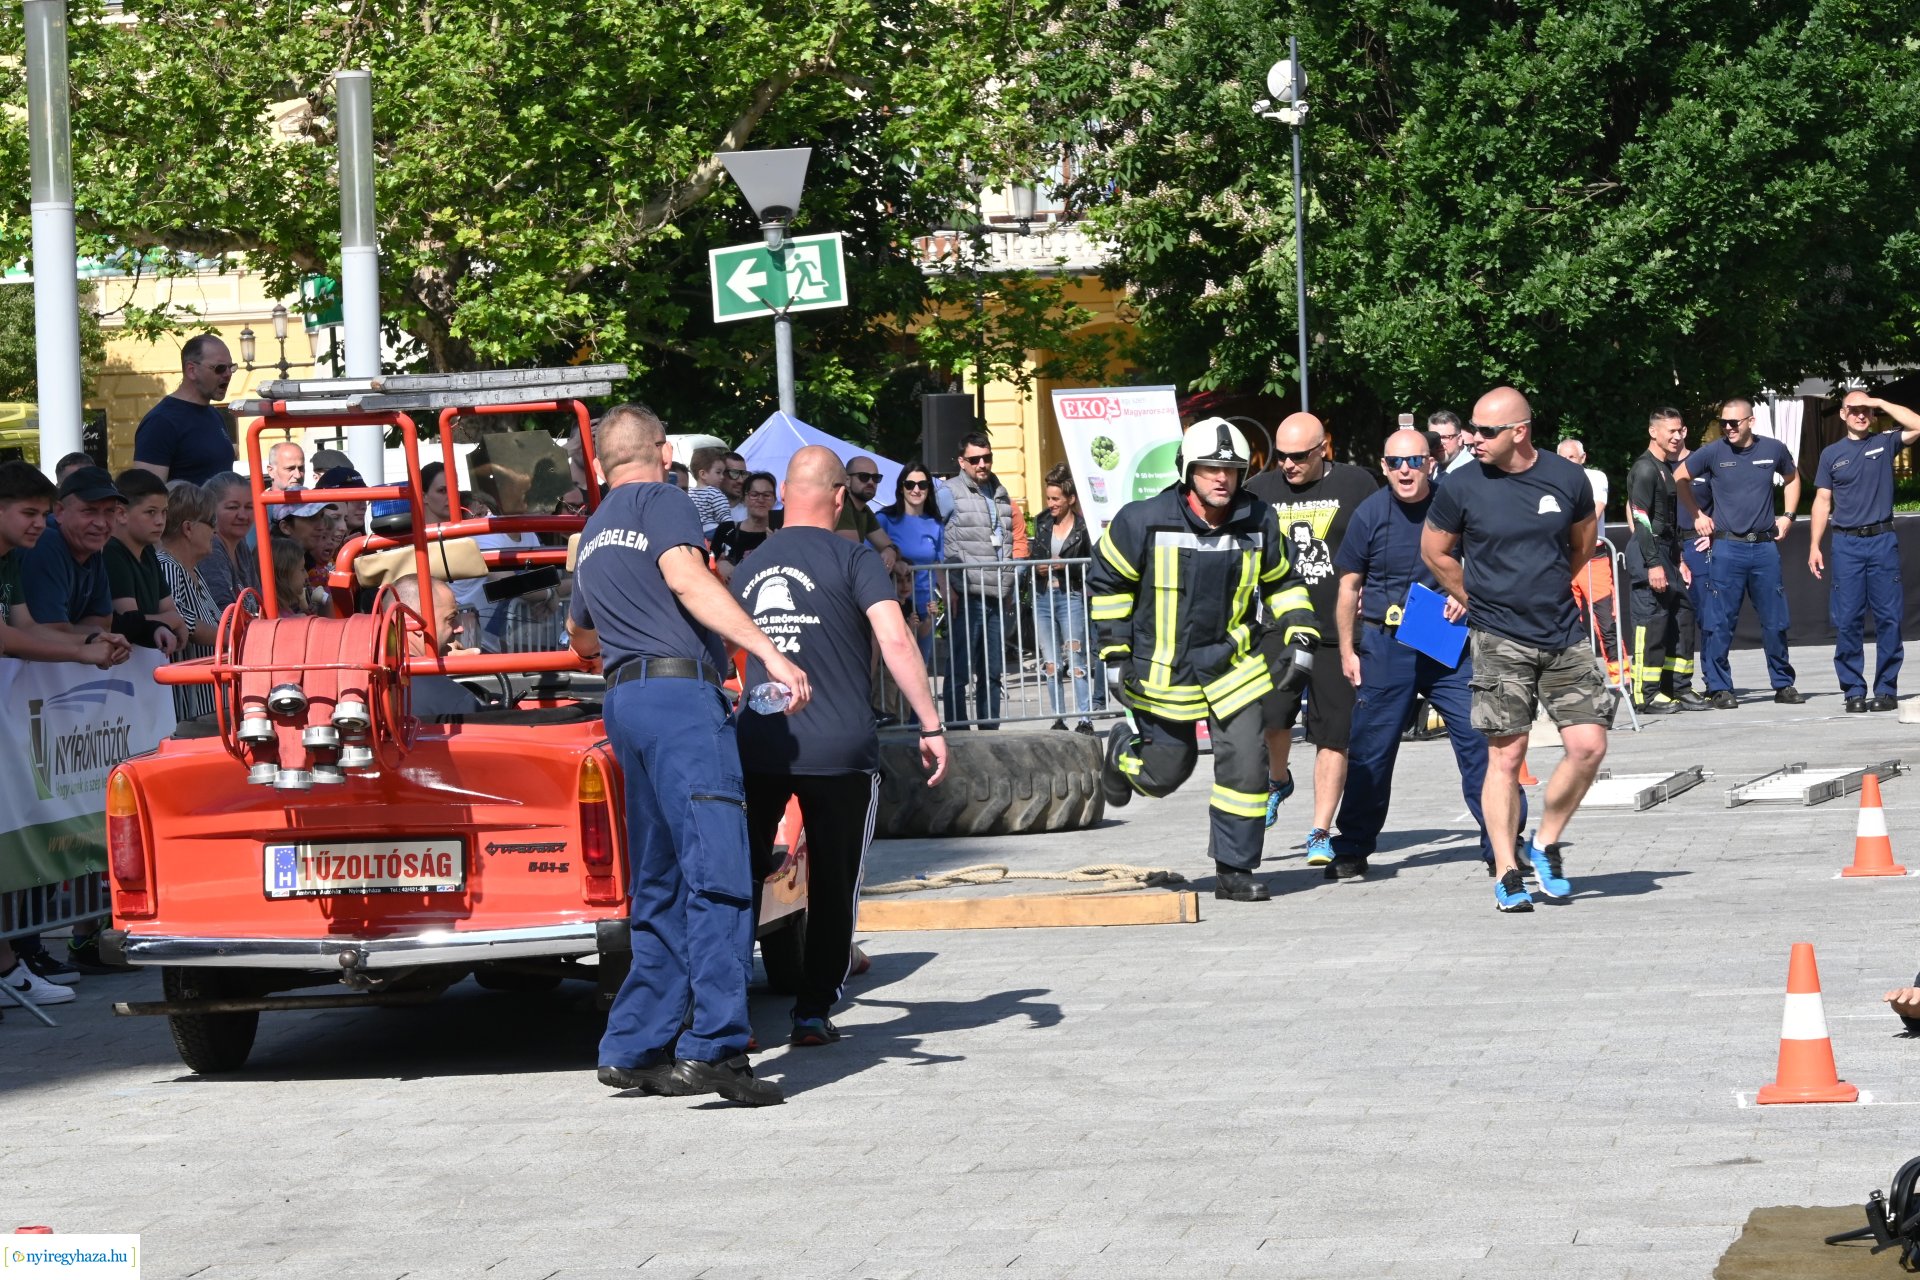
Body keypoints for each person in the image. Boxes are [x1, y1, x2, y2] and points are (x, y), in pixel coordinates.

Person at [567, 403, 810, 1107]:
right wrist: (766, 651)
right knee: (719, 877)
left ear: (600, 463)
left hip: (625, 705)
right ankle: (715, 1051)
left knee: (661, 882)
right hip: (679, 704)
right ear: (664, 449)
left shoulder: (594, 528)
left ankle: (636, 1047)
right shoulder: (662, 503)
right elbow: (686, 576)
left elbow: (581, 637)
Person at [734, 446, 948, 1046]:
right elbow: (896, 640)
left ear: (781, 498)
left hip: (761, 743)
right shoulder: (855, 557)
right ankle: (811, 1012)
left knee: (741, 875)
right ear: (836, 497)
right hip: (840, 750)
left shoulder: (750, 564)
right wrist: (930, 724)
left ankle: (727, 1011)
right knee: (834, 881)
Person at [1090, 418, 1320, 903]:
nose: (1222, 479)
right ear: (1186, 471)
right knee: (1167, 771)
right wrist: (1114, 653)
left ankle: (1233, 871)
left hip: (1233, 665)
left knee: (1248, 765)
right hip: (1162, 668)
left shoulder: (1259, 520)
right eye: (1210, 469)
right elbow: (1109, 585)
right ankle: (1120, 754)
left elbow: (1282, 582)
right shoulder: (1142, 520)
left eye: (1232, 470)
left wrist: (1301, 636)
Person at [1422, 386, 1610, 914]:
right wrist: (1476, 601)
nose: (1472, 439)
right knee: (1506, 757)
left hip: (1562, 632)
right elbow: (1434, 552)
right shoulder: (1460, 486)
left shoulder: (1566, 479)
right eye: (1471, 430)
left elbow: (1582, 545)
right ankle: (1507, 871)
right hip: (1499, 637)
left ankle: (1545, 842)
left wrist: (1551, 591)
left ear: (1519, 432)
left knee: (1589, 746)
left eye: (1485, 431)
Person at [1330, 430, 1518, 878]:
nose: (1405, 470)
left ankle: (1504, 846)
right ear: (1383, 466)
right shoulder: (1370, 513)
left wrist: (1466, 589)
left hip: (1447, 642)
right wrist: (1346, 650)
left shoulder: (1454, 503)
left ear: (1431, 462)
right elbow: (1348, 587)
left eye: (1414, 460)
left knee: (1480, 743)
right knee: (1370, 751)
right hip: (1385, 645)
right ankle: (1353, 847)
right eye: (1395, 463)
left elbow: (1490, 557)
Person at [1245, 412, 1379, 863]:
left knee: (1333, 734)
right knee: (1271, 718)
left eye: (1298, 456)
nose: (1288, 464)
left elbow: (1379, 541)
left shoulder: (1357, 485)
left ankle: (1320, 830)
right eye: (1281, 456)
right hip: (1279, 628)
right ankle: (1279, 780)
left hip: (1335, 633)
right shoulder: (1259, 492)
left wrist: (1373, 590)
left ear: (1324, 448)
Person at [1676, 398, 1802, 707]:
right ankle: (1720, 688)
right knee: (1720, 621)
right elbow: (1679, 476)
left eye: (1734, 422)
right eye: (1724, 423)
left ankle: (1783, 684)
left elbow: (1793, 478)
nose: (1728, 428)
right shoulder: (1714, 452)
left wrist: (1788, 516)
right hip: (1727, 547)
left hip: (1763, 547)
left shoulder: (1773, 449)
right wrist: (1697, 515)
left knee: (1775, 619)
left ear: (1751, 421)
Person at [1808, 391, 1920, 712]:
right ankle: (1853, 691)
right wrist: (1814, 545)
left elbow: (1918, 424)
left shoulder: (1885, 443)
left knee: (1889, 618)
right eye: (1854, 411)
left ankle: (1886, 690)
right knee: (1847, 620)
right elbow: (1822, 502)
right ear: (1842, 414)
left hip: (1882, 541)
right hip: (1847, 545)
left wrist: (1881, 403)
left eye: (1865, 411)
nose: (1860, 416)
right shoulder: (1831, 454)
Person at [942, 432, 1028, 727]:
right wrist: (945, 586)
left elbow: (1007, 542)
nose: (982, 464)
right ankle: (958, 731)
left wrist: (1009, 586)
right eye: (975, 459)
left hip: (996, 594)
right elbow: (933, 538)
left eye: (987, 458)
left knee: (992, 671)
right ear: (962, 462)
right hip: (965, 592)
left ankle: (990, 732)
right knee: (960, 670)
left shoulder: (1000, 492)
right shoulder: (948, 492)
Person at [1624, 409, 1707, 714]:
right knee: (1652, 623)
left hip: (1669, 554)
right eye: (1670, 431)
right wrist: (1653, 563)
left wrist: (1679, 559)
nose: (1677, 436)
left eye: (1680, 431)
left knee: (1681, 618)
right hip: (1651, 555)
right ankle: (1646, 694)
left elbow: (1671, 522)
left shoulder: (1666, 468)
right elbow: (1640, 518)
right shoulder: (1646, 469)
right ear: (1653, 432)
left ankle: (1678, 687)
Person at [0, 462, 121, 666]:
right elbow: (6, 637)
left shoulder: (9, 557)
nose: (39, 523)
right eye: (29, 513)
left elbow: (27, 627)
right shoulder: (43, 545)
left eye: (43, 515)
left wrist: (90, 641)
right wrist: (79, 651)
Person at [1031, 464, 1100, 732]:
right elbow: (1035, 555)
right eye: (1048, 498)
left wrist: (1065, 565)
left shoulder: (1083, 527)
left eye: (1056, 499)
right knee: (1051, 662)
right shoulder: (1041, 521)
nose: (1051, 504)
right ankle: (1059, 718)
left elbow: (1091, 564)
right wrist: (1037, 566)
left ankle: (1085, 718)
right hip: (1042, 596)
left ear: (1070, 499)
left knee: (1077, 658)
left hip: (1070, 597)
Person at [1556, 438, 1623, 686]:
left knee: (1606, 622)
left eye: (1571, 458)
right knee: (1565, 623)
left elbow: (1593, 513)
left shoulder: (1595, 477)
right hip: (1561, 560)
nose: (1567, 463)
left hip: (1592, 558)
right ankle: (1572, 680)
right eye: (1562, 458)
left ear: (1582, 458)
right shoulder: (1549, 482)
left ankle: (1620, 680)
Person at [131, 334, 237, 484]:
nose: (228, 374)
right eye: (220, 368)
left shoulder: (215, 415)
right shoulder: (161, 422)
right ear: (191, 370)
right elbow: (148, 495)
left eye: (231, 367)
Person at [156, 482, 220, 722]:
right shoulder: (167, 565)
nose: (215, 531)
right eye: (211, 522)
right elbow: (181, 620)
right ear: (188, 528)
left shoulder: (192, 569)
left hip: (207, 703)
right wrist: (234, 639)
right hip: (189, 709)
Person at [105, 468, 186, 655]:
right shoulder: (112, 553)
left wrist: (172, 618)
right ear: (121, 514)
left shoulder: (148, 550)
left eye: (164, 512)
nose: (160, 521)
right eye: (150, 512)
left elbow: (170, 609)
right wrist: (173, 620)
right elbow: (132, 623)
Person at [874, 464, 945, 666]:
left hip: (924, 605)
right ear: (901, 488)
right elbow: (869, 554)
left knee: (920, 668)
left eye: (922, 484)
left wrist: (948, 596)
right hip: (895, 605)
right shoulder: (884, 519)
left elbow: (939, 564)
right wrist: (894, 562)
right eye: (910, 484)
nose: (916, 489)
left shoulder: (935, 523)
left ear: (929, 489)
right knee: (892, 671)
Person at [389, 574, 486, 717]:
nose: (460, 628)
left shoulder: (355, 684)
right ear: (412, 623)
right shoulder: (455, 701)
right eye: (451, 619)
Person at [197, 471, 260, 610]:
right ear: (211, 509)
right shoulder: (210, 547)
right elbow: (225, 611)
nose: (243, 515)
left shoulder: (241, 545)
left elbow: (259, 601)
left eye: (249, 507)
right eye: (233, 507)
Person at [710, 471, 777, 584]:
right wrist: (717, 566)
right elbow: (708, 564)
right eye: (754, 495)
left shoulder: (780, 535)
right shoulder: (726, 529)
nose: (760, 500)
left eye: (766, 495)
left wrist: (774, 545)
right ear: (744, 499)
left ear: (774, 500)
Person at [837, 455, 901, 572]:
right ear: (847, 480)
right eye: (864, 477)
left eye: (876, 478)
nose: (871, 482)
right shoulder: (842, 503)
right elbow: (854, 550)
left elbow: (889, 545)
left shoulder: (864, 510)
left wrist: (890, 552)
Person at [686, 446, 735, 535]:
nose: (722, 477)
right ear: (703, 474)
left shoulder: (688, 493)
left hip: (694, 533)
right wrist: (732, 531)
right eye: (718, 472)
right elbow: (725, 516)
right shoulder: (714, 493)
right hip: (712, 532)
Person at [1430, 409, 1473, 475]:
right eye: (1434, 438)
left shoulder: (1470, 472)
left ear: (1459, 439)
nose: (1439, 443)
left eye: (1444, 437)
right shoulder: (1433, 468)